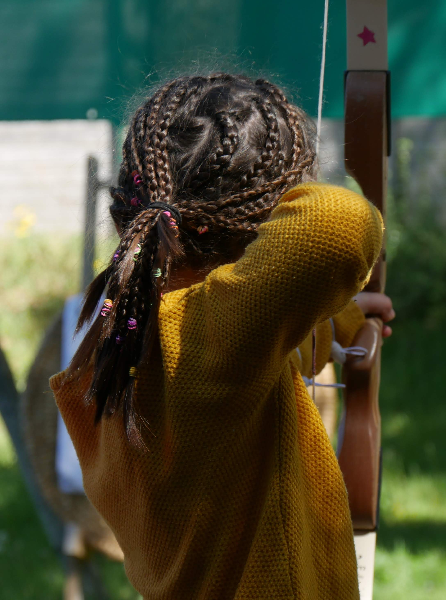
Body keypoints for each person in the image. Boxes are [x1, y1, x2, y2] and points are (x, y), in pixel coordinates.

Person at [50, 73, 393, 599]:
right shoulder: (210, 346)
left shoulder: (130, 343)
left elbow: (259, 360)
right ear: (264, 233)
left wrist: (336, 319)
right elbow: (340, 225)